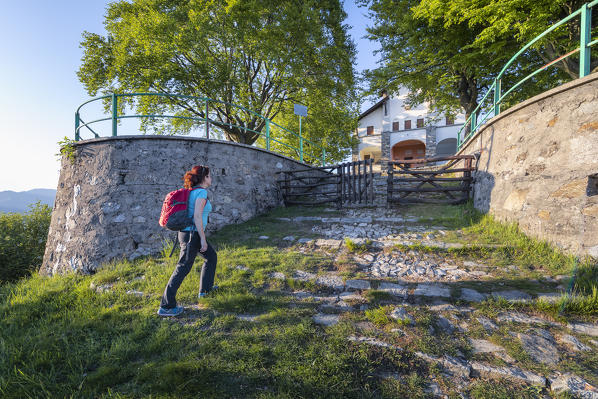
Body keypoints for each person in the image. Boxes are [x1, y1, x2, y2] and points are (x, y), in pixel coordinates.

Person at [157, 165, 218, 317]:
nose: (211, 178)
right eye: (209, 176)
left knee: (211, 257)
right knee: (182, 268)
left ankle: (205, 291)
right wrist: (203, 240)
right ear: (204, 178)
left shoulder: (191, 192)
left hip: (187, 234)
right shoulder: (202, 193)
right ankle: (166, 306)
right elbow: (197, 216)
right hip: (193, 235)